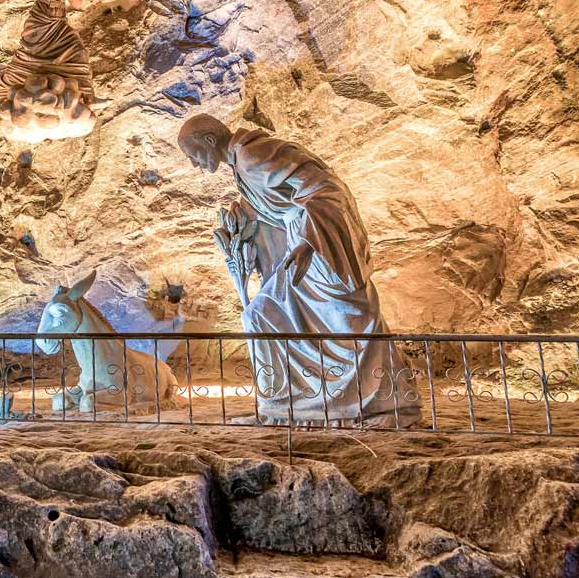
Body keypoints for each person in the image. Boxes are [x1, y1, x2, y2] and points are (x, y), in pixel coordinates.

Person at [179, 114, 420, 427]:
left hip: (315, 242)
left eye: (193, 155)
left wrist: (309, 241)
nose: (194, 164)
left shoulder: (253, 155)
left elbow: (325, 188)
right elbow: (273, 203)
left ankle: (381, 402)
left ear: (210, 141)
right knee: (261, 314)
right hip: (299, 242)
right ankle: (285, 406)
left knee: (345, 319)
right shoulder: (243, 163)